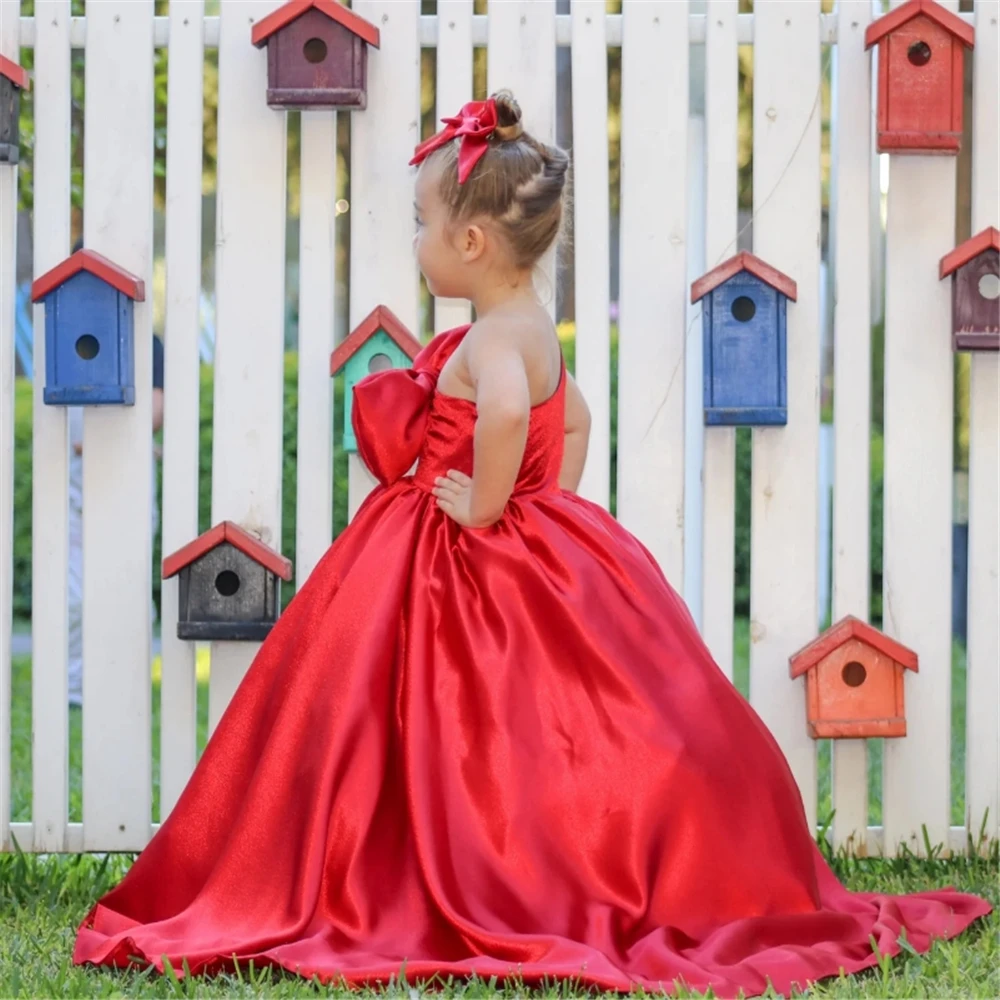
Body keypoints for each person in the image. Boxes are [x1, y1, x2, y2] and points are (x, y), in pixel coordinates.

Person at [70, 92, 990, 996]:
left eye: (423, 222)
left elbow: (506, 407)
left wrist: (487, 508)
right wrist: (547, 505)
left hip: (449, 541)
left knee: (400, 709)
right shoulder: (536, 331)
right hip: (533, 536)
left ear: (471, 244)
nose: (417, 238)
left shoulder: (489, 342)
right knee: (541, 723)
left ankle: (393, 865)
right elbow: (577, 419)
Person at [67, 235, 164, 708]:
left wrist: (109, 435)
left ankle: (124, 681)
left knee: (127, 580)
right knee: (72, 587)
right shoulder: (63, 324)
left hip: (127, 473)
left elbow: (158, 408)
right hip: (76, 475)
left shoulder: (150, 341)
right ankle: (73, 684)